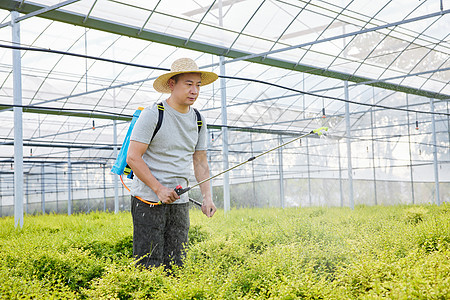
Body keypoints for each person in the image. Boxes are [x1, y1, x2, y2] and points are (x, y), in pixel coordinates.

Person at [126, 58, 218, 269]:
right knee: (148, 263)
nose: (194, 90)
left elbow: (200, 161)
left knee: (176, 263)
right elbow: (133, 157)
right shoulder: (153, 114)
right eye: (188, 84)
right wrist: (158, 189)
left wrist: (207, 197)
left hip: (179, 201)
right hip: (148, 200)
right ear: (171, 84)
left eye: (198, 85)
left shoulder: (198, 119)